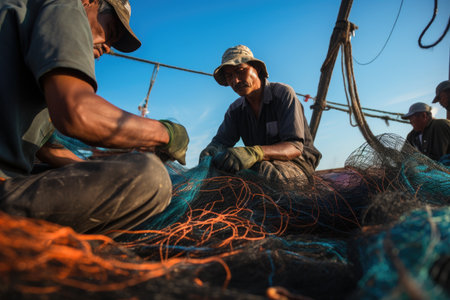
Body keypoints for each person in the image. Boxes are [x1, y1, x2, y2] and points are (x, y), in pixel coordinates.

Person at [0, 0, 189, 238]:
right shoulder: (65, 5)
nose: (109, 48)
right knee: (151, 179)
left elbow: (48, 150)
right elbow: (77, 113)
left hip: (11, 182)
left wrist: (101, 171)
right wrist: (166, 133)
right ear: (88, 2)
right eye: (109, 31)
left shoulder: (24, 25)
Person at [199, 45, 321, 183]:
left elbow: (294, 147)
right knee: (223, 175)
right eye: (229, 76)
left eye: (240, 71)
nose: (235, 81)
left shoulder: (283, 94)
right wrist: (211, 151)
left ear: (256, 68)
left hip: (298, 164)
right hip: (259, 165)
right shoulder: (235, 110)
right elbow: (220, 142)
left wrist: (255, 152)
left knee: (262, 172)